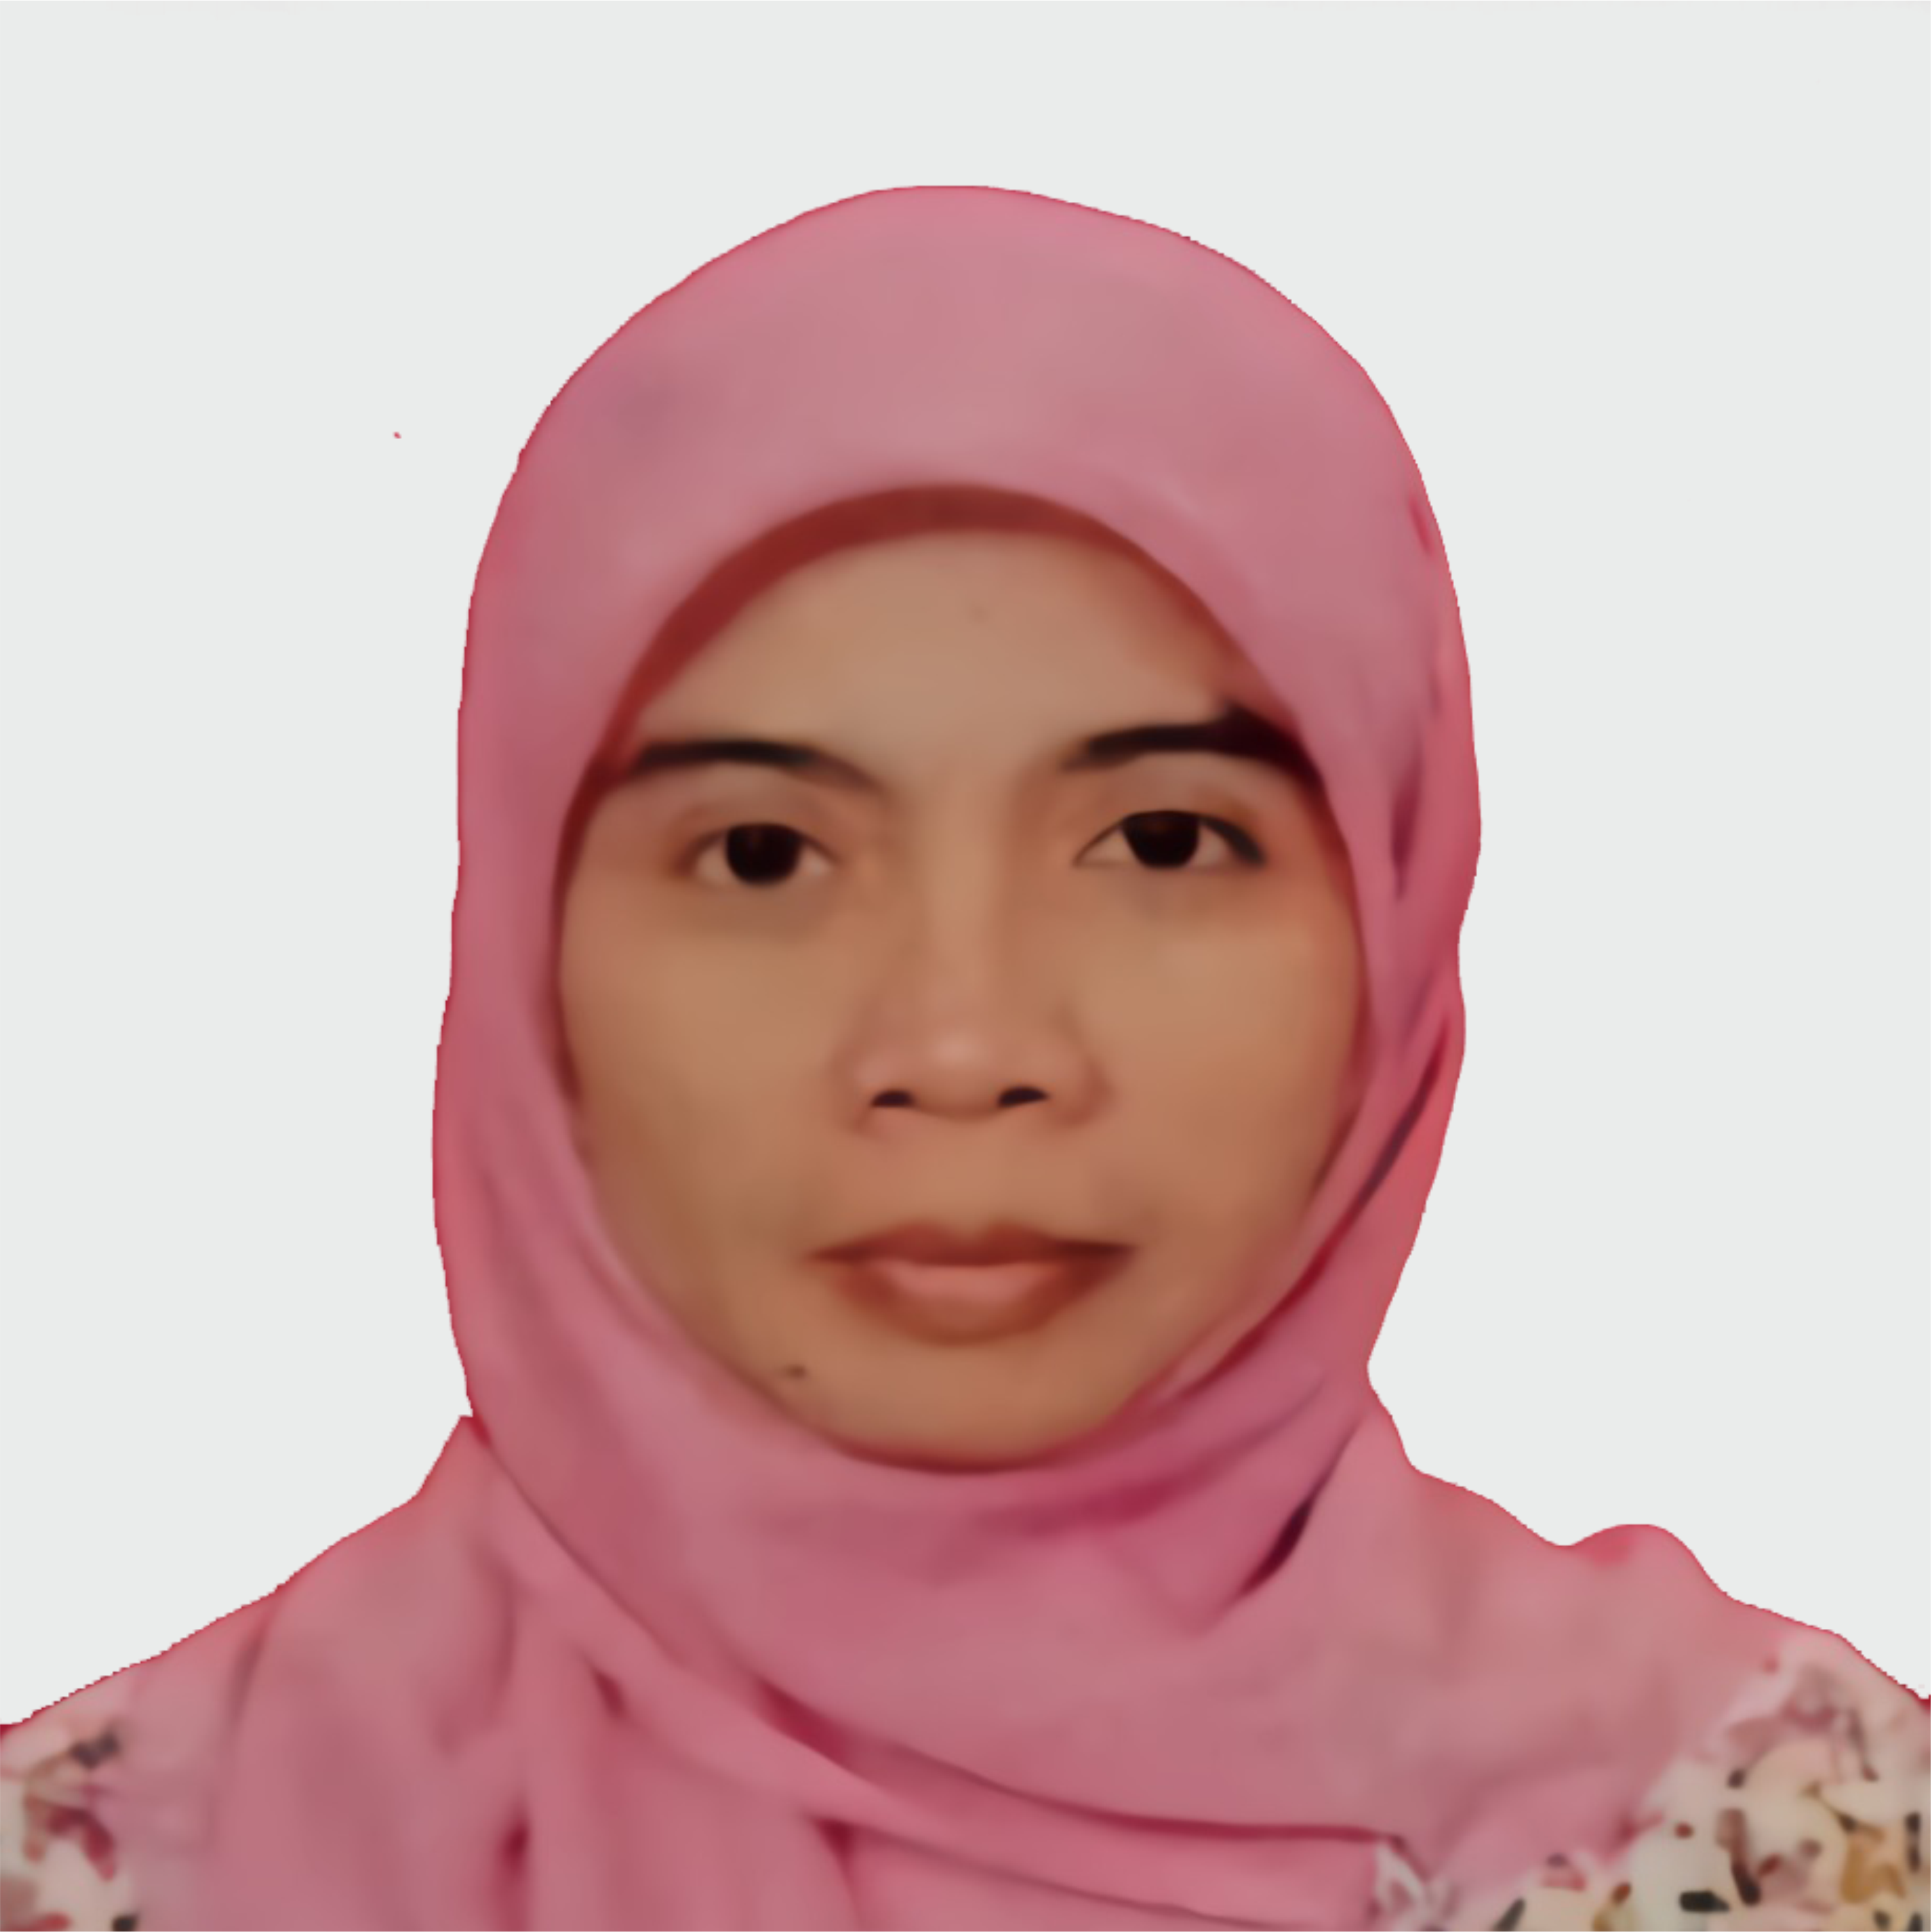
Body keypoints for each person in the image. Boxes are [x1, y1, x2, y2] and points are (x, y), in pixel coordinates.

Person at [3, 185, 1923, 1932]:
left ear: (1397, 917)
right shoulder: (104, 1876)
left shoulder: (1808, 1852)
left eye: (1161, 841)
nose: (964, 1046)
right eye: (763, 855)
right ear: (524, 959)